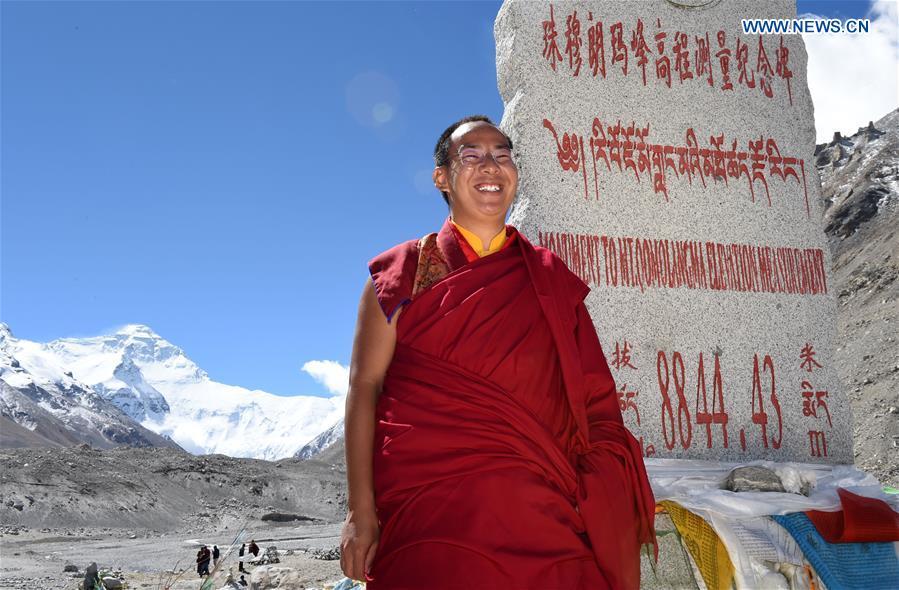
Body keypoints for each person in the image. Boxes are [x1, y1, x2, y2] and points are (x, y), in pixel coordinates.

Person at [340, 115, 656, 588]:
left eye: (502, 155)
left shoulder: (550, 281)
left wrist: (600, 483)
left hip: (542, 515)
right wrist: (360, 511)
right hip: (430, 516)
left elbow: (594, 399)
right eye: (472, 155)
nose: (491, 165)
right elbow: (364, 388)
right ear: (442, 178)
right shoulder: (402, 273)